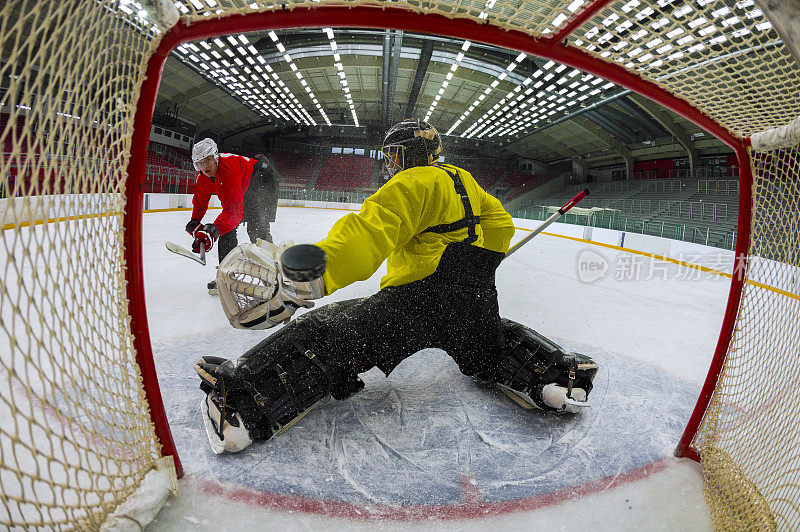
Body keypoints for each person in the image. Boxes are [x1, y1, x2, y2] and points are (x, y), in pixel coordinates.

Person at [194, 120, 598, 454]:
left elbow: (363, 239)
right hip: (474, 299)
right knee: (489, 344)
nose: (388, 163)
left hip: (413, 306)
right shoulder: (466, 182)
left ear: (408, 154)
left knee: (326, 333)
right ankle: (557, 376)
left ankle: (241, 407)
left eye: (392, 155)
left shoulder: (413, 184)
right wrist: (471, 259)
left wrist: (300, 279)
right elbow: (501, 225)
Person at [186, 138, 280, 294]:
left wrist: (212, 231)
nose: (205, 166)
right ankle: (226, 275)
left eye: (208, 160)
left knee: (257, 228)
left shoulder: (228, 171)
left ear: (215, 156)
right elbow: (200, 204)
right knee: (226, 231)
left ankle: (275, 272)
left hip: (262, 177)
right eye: (200, 163)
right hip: (245, 182)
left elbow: (234, 213)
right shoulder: (201, 178)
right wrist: (195, 222)